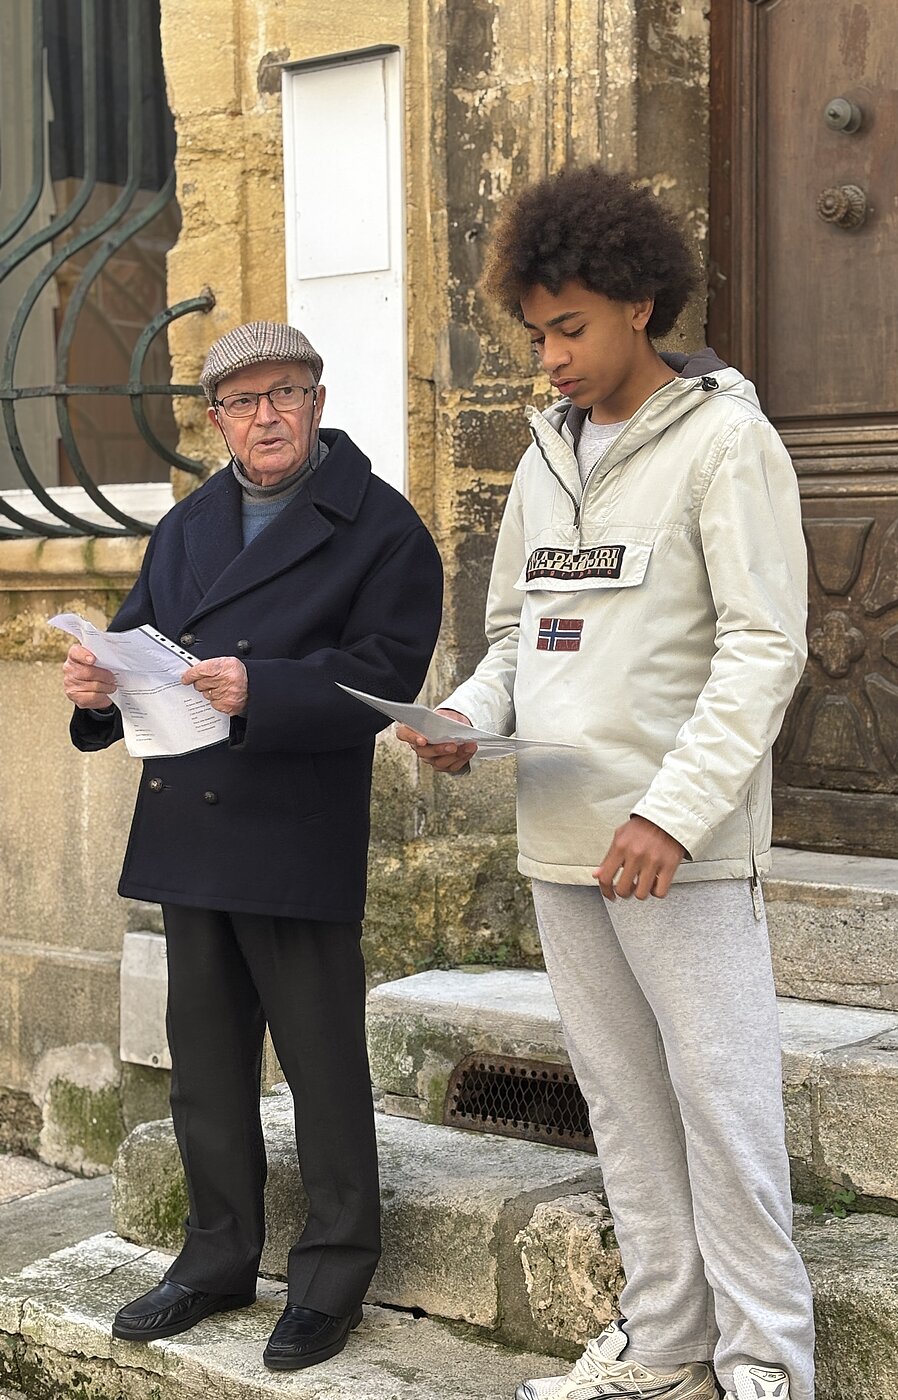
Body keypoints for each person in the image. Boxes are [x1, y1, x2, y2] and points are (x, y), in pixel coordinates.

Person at [396, 168, 815, 1400]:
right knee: (626, 1108)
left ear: (639, 303)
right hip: (562, 836)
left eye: (570, 328)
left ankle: (767, 1364)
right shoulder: (546, 458)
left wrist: (670, 814)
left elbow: (764, 648)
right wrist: (467, 718)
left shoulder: (726, 441)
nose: (553, 358)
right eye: (537, 335)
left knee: (724, 1112)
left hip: (677, 847)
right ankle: (667, 1344)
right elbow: (516, 637)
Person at [63, 321, 442, 1372]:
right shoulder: (187, 524)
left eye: (284, 393)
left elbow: (388, 672)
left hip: (296, 829)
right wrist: (97, 690)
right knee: (205, 1068)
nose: (265, 416)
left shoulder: (382, 526)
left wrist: (261, 687)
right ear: (216, 419)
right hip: (191, 826)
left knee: (323, 1067)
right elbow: (137, 644)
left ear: (318, 400)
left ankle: (331, 1277)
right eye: (242, 401)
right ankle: (215, 1258)